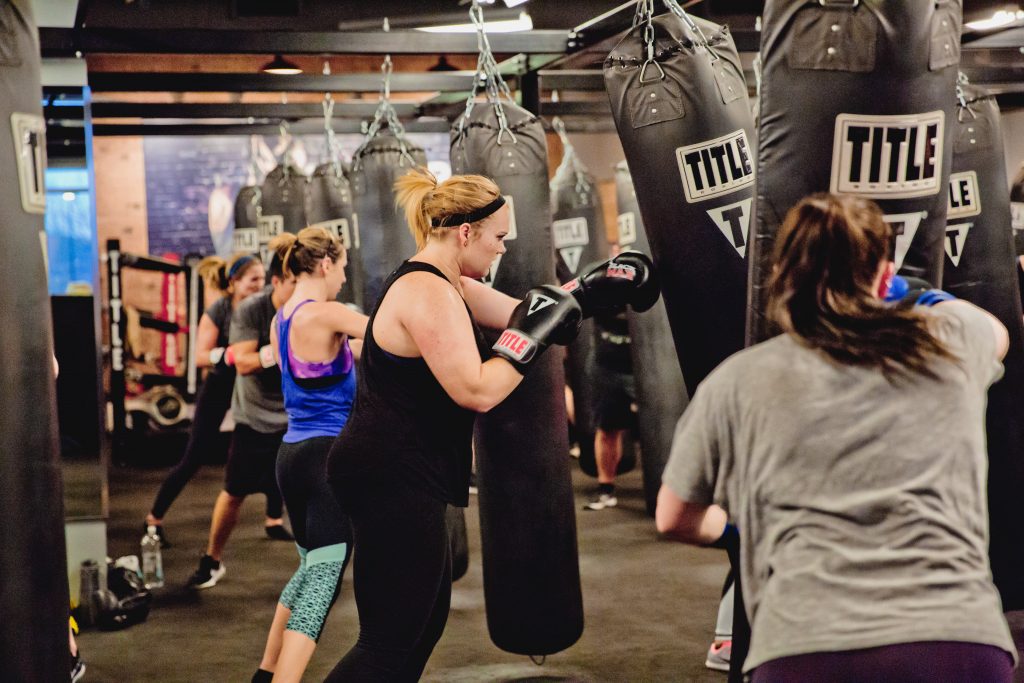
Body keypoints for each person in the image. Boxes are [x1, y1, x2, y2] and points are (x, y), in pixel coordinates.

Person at [656, 193, 1015, 681]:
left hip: (805, 645)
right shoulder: (949, 346)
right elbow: (996, 331)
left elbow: (673, 516)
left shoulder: (735, 380)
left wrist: (741, 526)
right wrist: (903, 290)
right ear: (884, 276)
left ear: (782, 276)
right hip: (956, 641)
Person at [323, 168, 591, 681]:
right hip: (390, 474)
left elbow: (531, 314)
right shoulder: (427, 292)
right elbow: (478, 389)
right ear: (466, 233)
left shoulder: (452, 285)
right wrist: (527, 343)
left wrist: (590, 291)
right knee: (388, 641)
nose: (503, 250)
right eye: (499, 238)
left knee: (420, 628)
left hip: (410, 471)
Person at [252, 227, 368, 683]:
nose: (342, 277)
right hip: (326, 462)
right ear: (325, 264)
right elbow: (398, 335)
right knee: (323, 581)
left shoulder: (281, 319)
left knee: (308, 569)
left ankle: (266, 674)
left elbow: (319, 363)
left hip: (291, 457)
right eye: (341, 267)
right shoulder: (330, 313)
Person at [188, 236, 297, 589]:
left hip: (296, 418)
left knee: (313, 492)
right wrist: (278, 352)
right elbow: (245, 363)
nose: (300, 289)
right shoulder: (251, 309)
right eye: (293, 282)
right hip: (255, 419)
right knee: (233, 492)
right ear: (278, 281)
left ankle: (319, 564)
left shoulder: (311, 307)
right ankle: (212, 560)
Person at [144, 253, 272, 547]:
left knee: (275, 443)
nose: (259, 285)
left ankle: (274, 520)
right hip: (220, 384)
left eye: (262, 279)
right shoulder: (220, 310)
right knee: (195, 455)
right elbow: (200, 357)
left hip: (252, 386)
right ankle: (154, 518)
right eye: (253, 280)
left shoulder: (263, 308)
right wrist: (231, 355)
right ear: (234, 282)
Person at [582, 306, 636, 511]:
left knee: (662, 427)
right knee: (607, 428)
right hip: (606, 365)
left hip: (644, 363)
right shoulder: (604, 282)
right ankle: (606, 489)